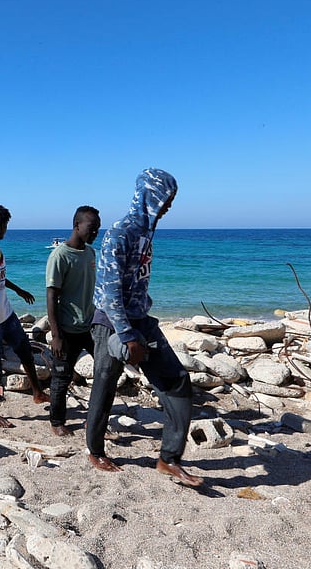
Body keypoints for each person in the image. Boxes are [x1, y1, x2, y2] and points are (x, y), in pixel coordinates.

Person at [85, 168, 203, 487]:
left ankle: (169, 459)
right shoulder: (120, 233)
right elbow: (109, 293)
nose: (169, 206)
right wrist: (126, 336)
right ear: (150, 196)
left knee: (177, 380)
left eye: (171, 200)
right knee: (105, 385)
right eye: (166, 198)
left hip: (140, 319)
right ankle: (95, 451)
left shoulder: (145, 233)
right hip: (111, 323)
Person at [0, 201, 49, 428]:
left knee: (25, 351)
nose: (6, 229)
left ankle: (37, 393)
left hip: (7, 314)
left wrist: (18, 290)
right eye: (5, 225)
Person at [45, 206, 101, 436]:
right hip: (66, 329)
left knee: (105, 372)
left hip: (90, 326)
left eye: (98, 228)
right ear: (77, 225)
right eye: (92, 227)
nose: (95, 232)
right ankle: (57, 422)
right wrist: (56, 335)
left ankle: (94, 420)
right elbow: (51, 295)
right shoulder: (60, 256)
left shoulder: (90, 253)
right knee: (61, 377)